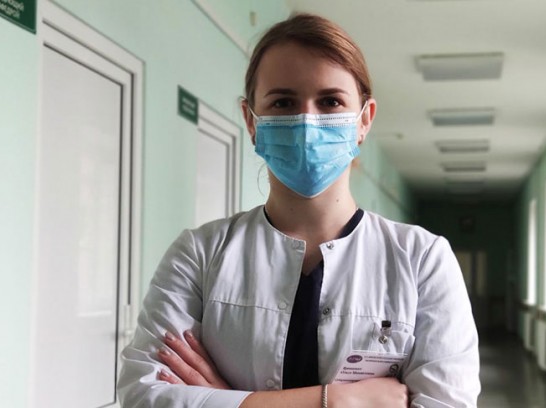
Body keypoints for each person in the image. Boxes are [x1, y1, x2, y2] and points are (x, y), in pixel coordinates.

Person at [117, 13, 480, 408]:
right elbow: (143, 395)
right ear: (251, 121)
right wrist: (335, 401)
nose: (307, 121)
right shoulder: (200, 254)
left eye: (330, 101)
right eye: (283, 102)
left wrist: (228, 399)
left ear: (364, 120)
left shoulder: (422, 260)